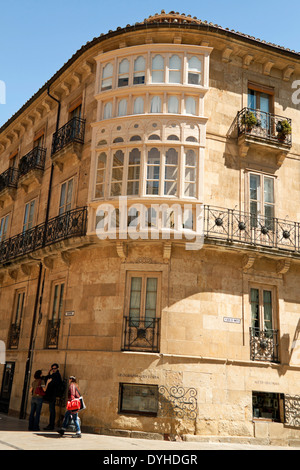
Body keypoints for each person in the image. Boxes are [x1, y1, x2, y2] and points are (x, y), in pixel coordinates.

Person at [43, 363, 62, 430]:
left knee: (52, 410)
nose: (53, 370)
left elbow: (48, 381)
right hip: (51, 395)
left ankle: (51, 425)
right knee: (51, 410)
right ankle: (50, 424)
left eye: (55, 368)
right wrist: (49, 371)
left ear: (57, 368)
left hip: (52, 395)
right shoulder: (54, 375)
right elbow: (47, 378)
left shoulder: (56, 375)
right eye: (52, 368)